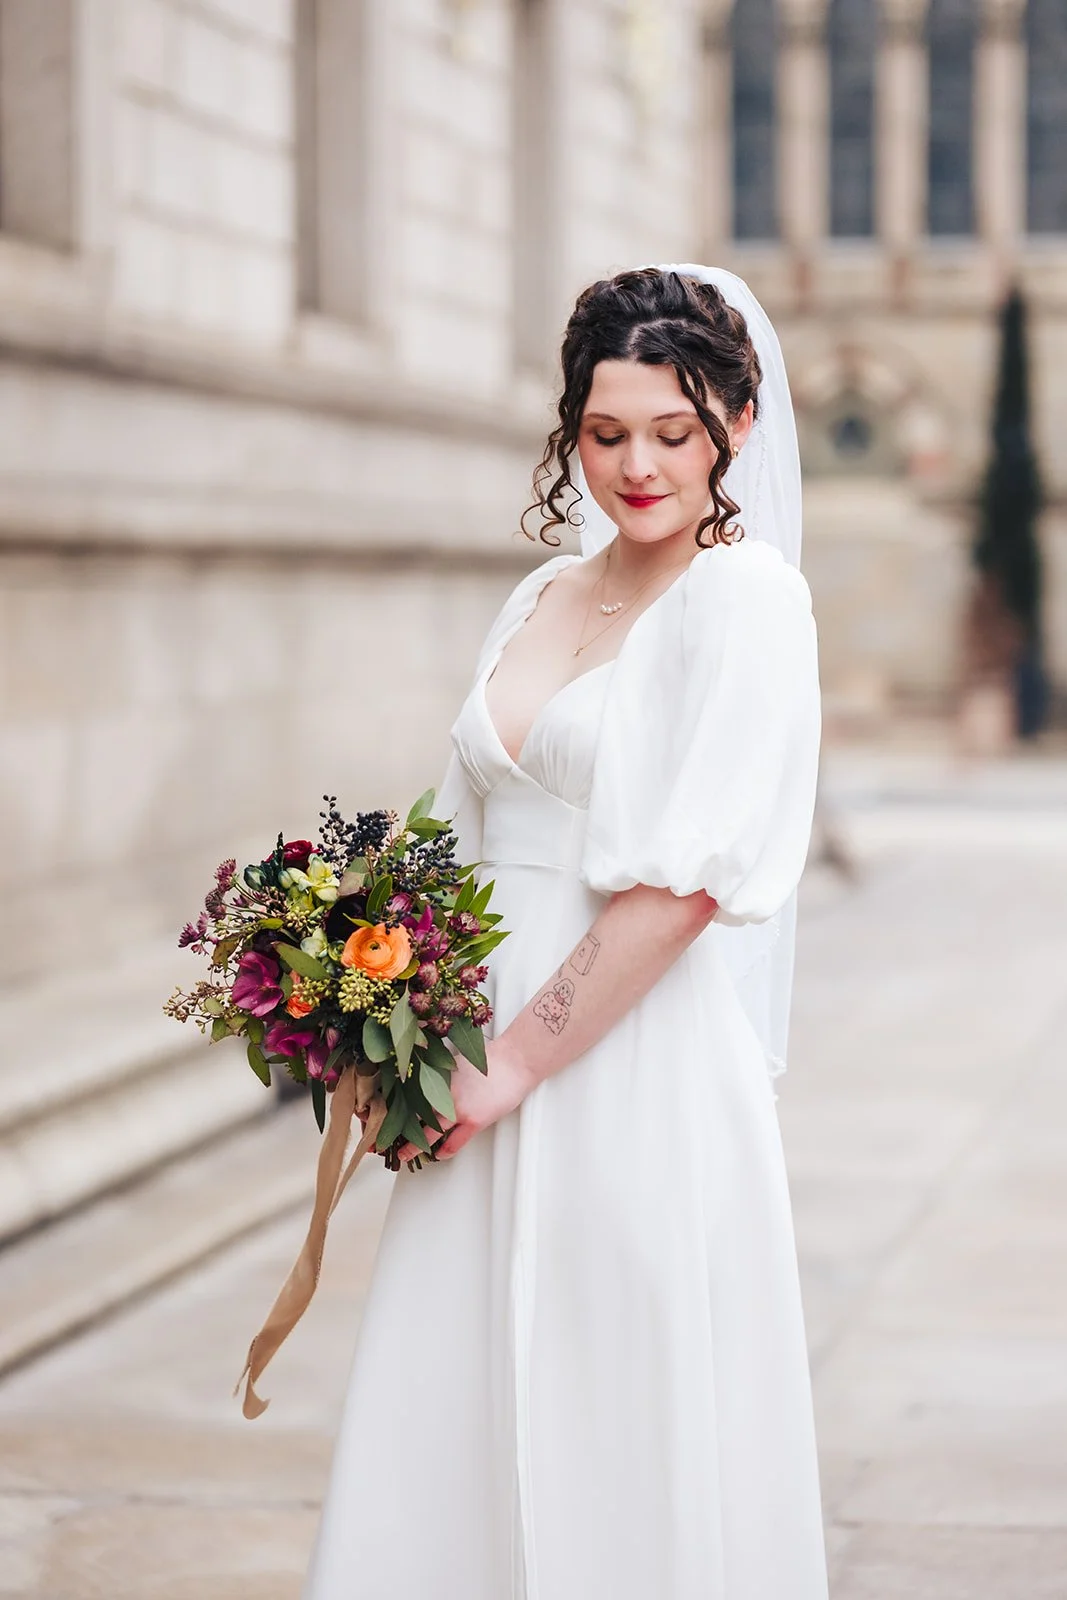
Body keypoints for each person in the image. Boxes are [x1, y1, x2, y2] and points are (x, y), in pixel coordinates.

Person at [303, 266, 828, 1600]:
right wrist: (366, 997)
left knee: (616, 1385)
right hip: (465, 1049)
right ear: (568, 430)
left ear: (738, 424)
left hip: (624, 1057)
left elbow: (680, 889)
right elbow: (453, 827)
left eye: (674, 430)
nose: (639, 466)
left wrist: (517, 1061)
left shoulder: (745, 599)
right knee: (454, 1380)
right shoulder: (539, 593)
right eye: (606, 435)